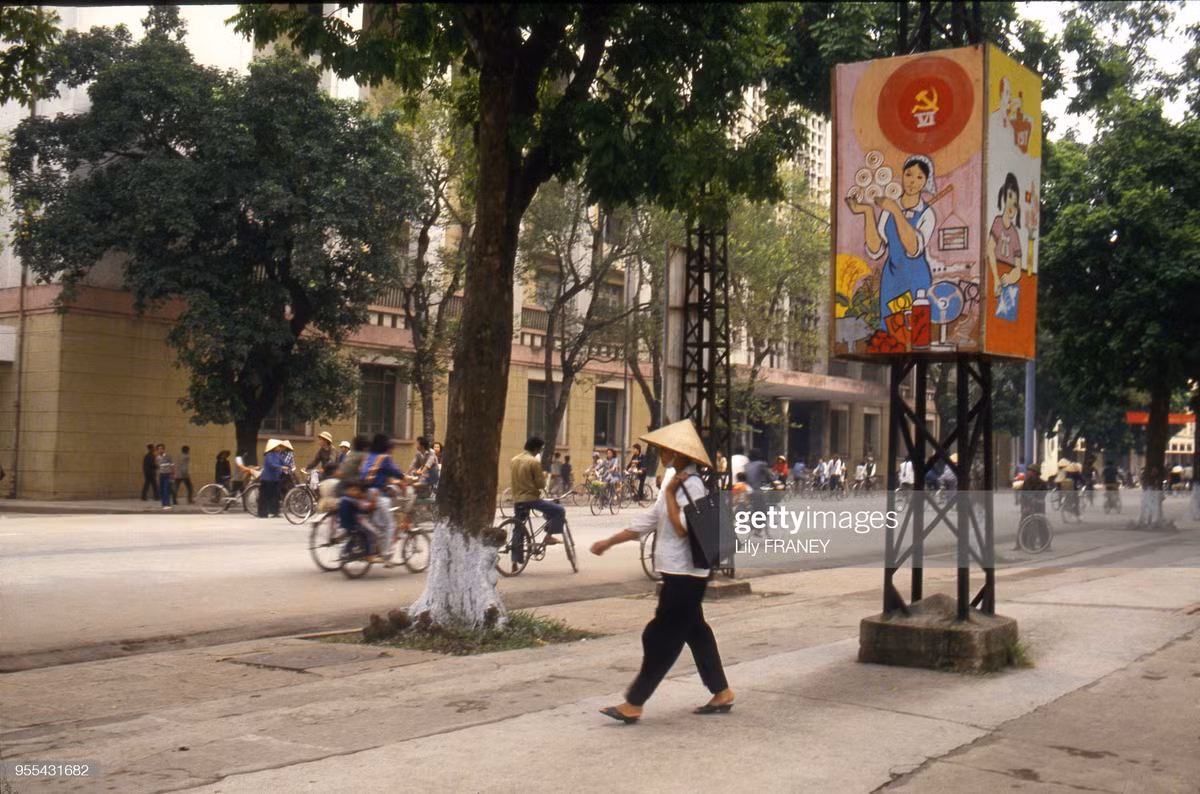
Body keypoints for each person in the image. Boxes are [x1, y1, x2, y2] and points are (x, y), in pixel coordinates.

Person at [591, 418, 733, 723]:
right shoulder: (674, 483)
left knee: (662, 637)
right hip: (679, 575)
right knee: (697, 634)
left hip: (686, 577)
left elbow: (682, 529)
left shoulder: (690, 486)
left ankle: (635, 702)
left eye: (666, 449)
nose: (661, 454)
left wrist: (669, 495)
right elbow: (649, 521)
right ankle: (721, 691)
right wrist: (609, 541)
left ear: (679, 454)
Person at [847, 154, 937, 333]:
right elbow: (876, 250)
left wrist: (896, 211)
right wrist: (867, 212)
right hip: (892, 279)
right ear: (902, 176)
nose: (912, 181)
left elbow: (913, 249)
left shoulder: (927, 214)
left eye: (919, 177)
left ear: (926, 182)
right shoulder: (888, 210)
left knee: (916, 331)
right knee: (890, 332)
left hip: (916, 280)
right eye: (909, 174)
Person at [508, 437, 566, 571]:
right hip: (531, 498)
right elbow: (540, 485)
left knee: (519, 527)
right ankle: (549, 536)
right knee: (559, 510)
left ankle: (515, 561)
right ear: (535, 449)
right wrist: (543, 476)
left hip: (518, 499)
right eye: (539, 449)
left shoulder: (514, 460)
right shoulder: (533, 462)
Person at [359, 433, 407, 560]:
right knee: (390, 524)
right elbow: (396, 471)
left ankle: (375, 546)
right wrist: (406, 478)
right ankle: (385, 554)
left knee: (377, 522)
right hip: (377, 494)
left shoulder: (369, 456)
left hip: (364, 493)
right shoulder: (384, 457)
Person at [257, 439, 292, 519]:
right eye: (278, 446)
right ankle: (263, 512)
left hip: (275, 478)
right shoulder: (269, 455)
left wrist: (289, 465)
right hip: (267, 478)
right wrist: (281, 467)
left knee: (276, 495)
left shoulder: (278, 455)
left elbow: (283, 462)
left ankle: (274, 511)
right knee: (265, 496)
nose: (279, 448)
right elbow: (272, 465)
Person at [155, 444, 174, 510]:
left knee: (166, 489)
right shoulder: (157, 458)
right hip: (161, 475)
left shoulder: (168, 456)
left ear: (164, 449)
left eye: (161, 449)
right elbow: (158, 467)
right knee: (161, 490)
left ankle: (167, 504)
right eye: (158, 449)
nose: (160, 450)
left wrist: (172, 474)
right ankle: (163, 504)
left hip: (167, 474)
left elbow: (172, 465)